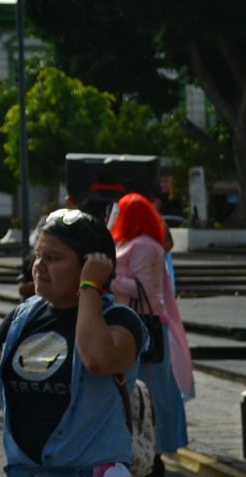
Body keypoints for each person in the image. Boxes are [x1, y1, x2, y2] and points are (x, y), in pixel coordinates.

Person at [0, 208, 146, 476]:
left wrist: (90, 287)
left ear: (88, 266)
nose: (38, 266)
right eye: (38, 255)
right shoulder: (19, 320)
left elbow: (97, 360)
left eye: (53, 258)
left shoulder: (119, 321)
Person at [110, 192, 191, 457]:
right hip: (137, 324)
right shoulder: (137, 243)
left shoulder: (143, 246)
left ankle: (154, 449)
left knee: (150, 392)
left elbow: (143, 288)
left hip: (144, 327)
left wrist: (107, 280)